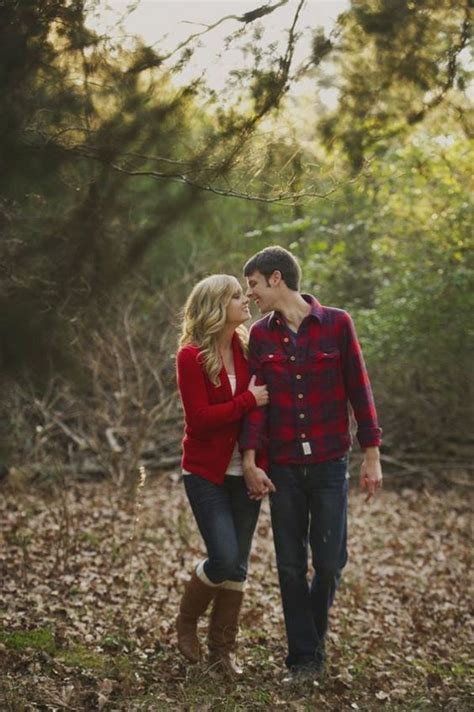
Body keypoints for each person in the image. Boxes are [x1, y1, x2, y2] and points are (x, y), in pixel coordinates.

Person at [240, 245, 383, 684]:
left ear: (276, 278)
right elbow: (257, 405)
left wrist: (372, 453)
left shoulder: (337, 323)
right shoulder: (260, 336)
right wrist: (250, 459)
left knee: (330, 562)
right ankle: (304, 659)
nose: (250, 295)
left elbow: (359, 388)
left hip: (328, 463)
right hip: (282, 466)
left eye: (254, 285)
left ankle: (311, 642)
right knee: (289, 565)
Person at [175, 274, 268, 676]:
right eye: (235, 295)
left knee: (239, 565)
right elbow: (199, 420)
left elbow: (260, 415)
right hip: (205, 473)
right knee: (224, 557)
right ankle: (186, 620)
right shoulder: (191, 356)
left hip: (243, 472)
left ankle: (221, 652)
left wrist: (255, 462)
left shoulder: (247, 350)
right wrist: (247, 399)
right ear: (215, 306)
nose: (245, 299)